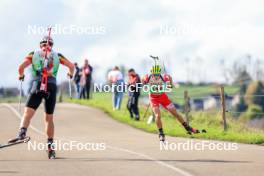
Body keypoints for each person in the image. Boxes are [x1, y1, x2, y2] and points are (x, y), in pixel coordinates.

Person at [8, 35, 74, 158]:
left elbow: (21, 67)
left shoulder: (34, 54)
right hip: (51, 86)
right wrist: (70, 74)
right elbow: (71, 66)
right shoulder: (58, 55)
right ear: (52, 45)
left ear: (40, 45)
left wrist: (21, 76)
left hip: (37, 85)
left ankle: (22, 133)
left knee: (27, 113)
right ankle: (50, 148)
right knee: (48, 118)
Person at [141, 62, 199, 142]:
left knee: (175, 113)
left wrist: (170, 84)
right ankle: (161, 134)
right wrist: (144, 83)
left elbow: (170, 79)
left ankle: (188, 128)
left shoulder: (164, 77)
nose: (157, 76)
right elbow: (142, 79)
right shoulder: (148, 77)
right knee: (157, 115)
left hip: (163, 97)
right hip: (153, 98)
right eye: (155, 74)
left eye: (158, 74)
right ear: (152, 73)